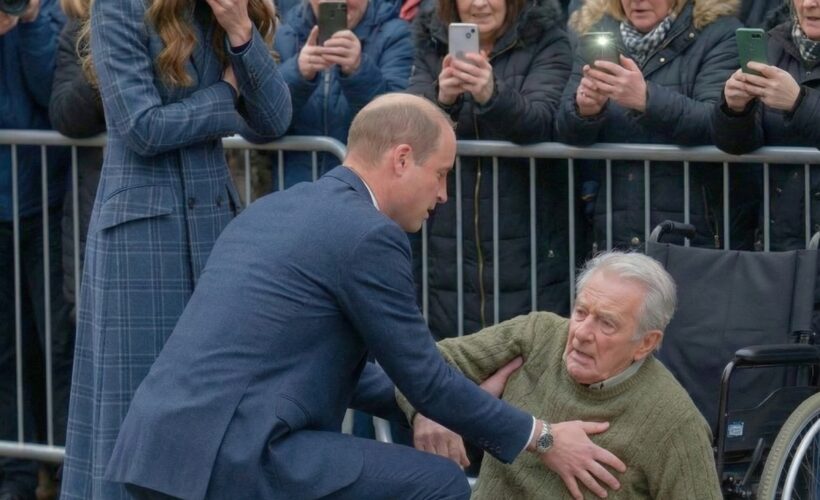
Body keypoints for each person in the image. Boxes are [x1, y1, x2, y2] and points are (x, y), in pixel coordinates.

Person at [105, 93, 626, 500]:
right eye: (441, 174)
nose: (443, 195)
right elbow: (425, 378)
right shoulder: (368, 234)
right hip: (239, 457)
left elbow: (325, 362)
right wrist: (543, 437)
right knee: (438, 484)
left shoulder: (275, 207)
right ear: (402, 159)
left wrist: (425, 408)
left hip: (157, 451)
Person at [59, 0, 292, 497]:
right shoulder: (119, 7)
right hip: (141, 240)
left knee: (214, 406)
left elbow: (274, 120)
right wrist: (224, 95)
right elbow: (141, 128)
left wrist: (241, 30)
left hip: (214, 230)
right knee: (133, 418)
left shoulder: (226, 11)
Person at [398, 251, 722, 499]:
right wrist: (427, 411)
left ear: (646, 343)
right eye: (581, 312)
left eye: (606, 323)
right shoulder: (538, 335)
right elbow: (417, 362)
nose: (581, 332)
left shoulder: (674, 422)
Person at [407, 0, 574, 340]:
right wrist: (443, 100)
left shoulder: (548, 38)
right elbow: (410, 126)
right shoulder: (431, 41)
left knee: (525, 343)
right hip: (448, 226)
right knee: (452, 343)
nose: (480, 3)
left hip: (527, 222)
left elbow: (543, 120)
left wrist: (491, 94)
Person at [555, 0, 755, 252]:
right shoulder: (597, 33)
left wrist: (646, 99)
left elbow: (720, 123)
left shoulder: (719, 33)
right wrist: (585, 109)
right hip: (616, 227)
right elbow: (565, 130)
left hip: (693, 230)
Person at [0, 1, 71, 498]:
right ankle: (15, 477)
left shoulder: (48, 15)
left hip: (45, 202)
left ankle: (69, 471)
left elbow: (55, 96)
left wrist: (27, 22)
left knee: (58, 344)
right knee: (5, 352)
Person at [713, 0, 820, 253]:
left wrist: (798, 102)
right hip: (779, 240)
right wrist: (735, 109)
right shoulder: (772, 45)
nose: (809, 3)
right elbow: (736, 146)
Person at [273, 0, 412, 188]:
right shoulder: (283, 35)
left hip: (366, 192)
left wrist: (358, 70)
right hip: (295, 190)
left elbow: (400, 124)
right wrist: (297, 74)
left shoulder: (394, 34)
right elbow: (255, 127)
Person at [49, 0, 104, 324]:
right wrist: (102, 64)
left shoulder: (183, 20)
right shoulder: (83, 26)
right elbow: (65, 115)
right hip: (96, 208)